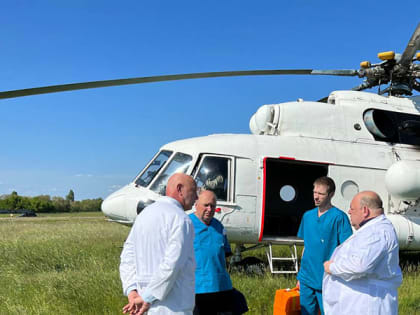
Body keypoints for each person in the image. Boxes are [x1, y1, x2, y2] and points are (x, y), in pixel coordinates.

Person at [119, 173, 198, 315]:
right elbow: (173, 265)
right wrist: (147, 298)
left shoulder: (143, 215)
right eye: (194, 192)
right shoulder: (181, 220)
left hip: (142, 306)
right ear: (180, 189)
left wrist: (132, 291)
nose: (196, 198)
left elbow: (127, 256)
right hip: (173, 307)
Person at [323, 191, 402, 315]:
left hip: (368, 304)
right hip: (363, 302)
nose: (349, 212)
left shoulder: (376, 232)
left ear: (365, 211)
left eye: (352, 208)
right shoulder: (373, 229)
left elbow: (360, 265)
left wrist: (332, 267)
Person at [296, 176, 352, 315]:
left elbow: (346, 250)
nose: (316, 197)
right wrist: (300, 277)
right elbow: (306, 248)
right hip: (306, 278)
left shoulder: (339, 217)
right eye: (315, 192)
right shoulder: (307, 216)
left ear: (331, 194)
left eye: (321, 194)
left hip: (328, 279)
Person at [189, 190, 246, 315]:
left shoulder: (218, 226)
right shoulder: (187, 224)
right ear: (196, 204)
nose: (209, 209)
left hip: (221, 287)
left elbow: (225, 254)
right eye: (206, 205)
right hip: (196, 290)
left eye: (213, 206)